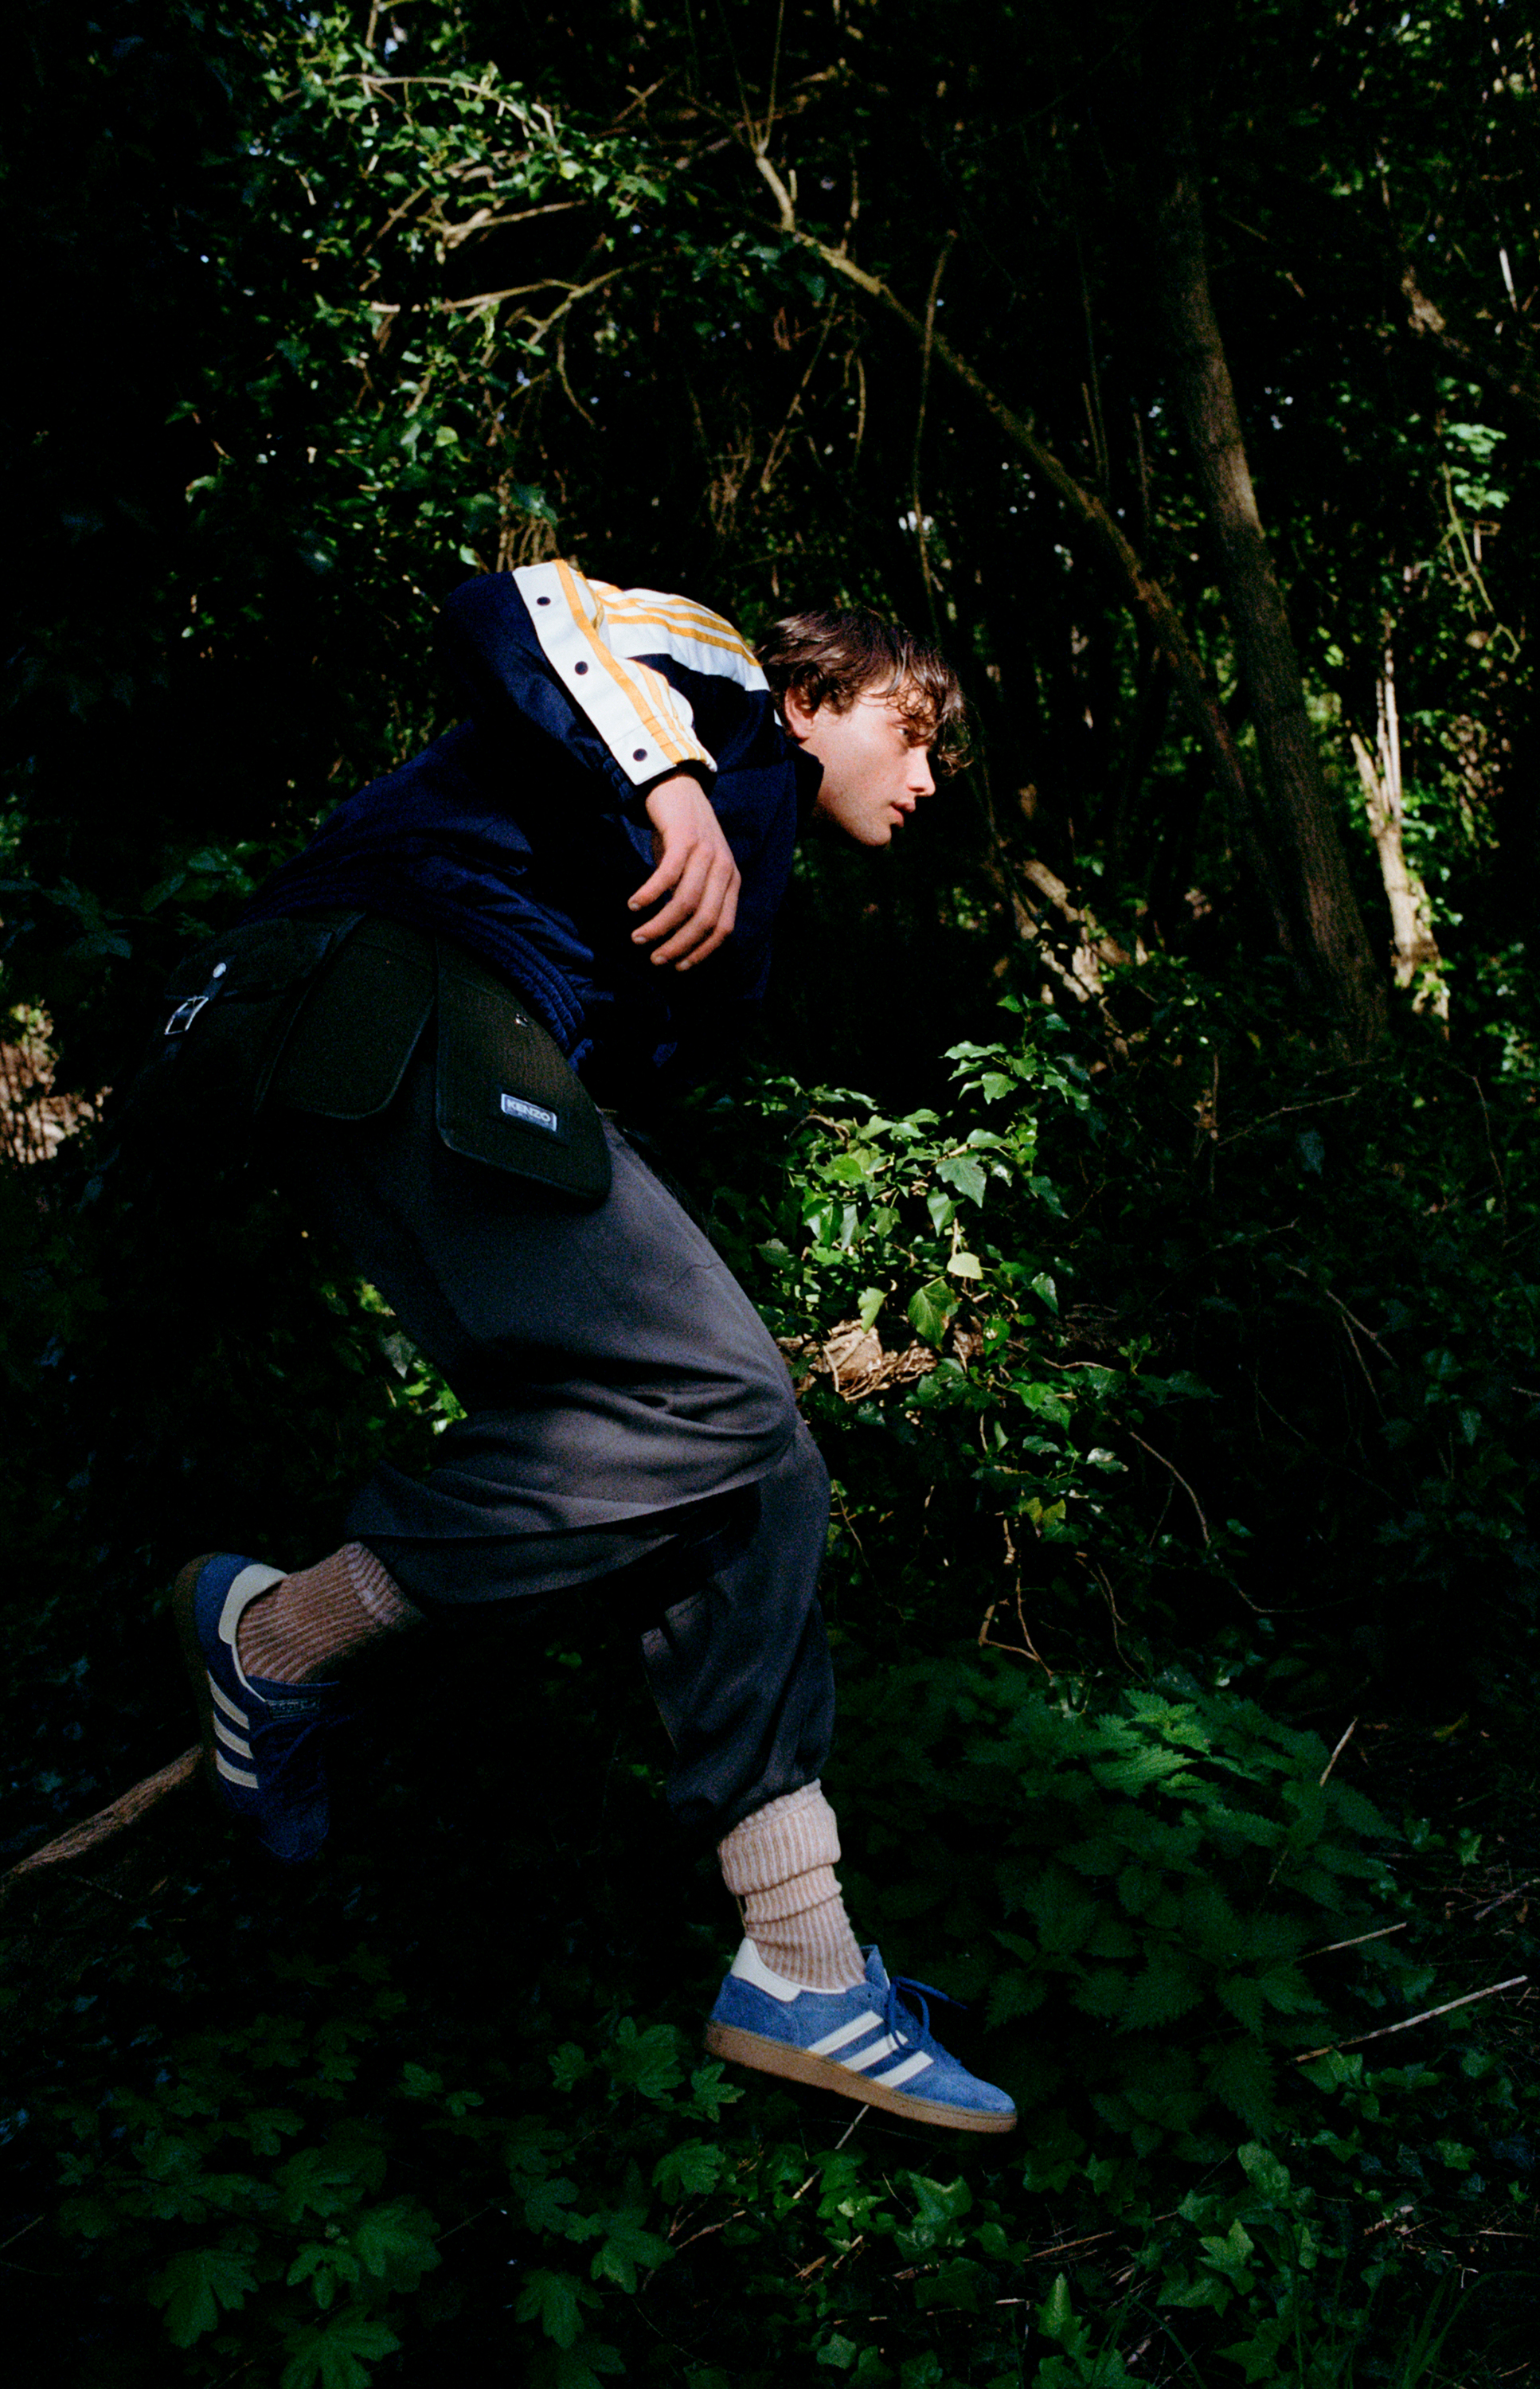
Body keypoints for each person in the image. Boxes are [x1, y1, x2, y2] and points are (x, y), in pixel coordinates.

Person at [161, 558, 1015, 2134]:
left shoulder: (752, 881)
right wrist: (672, 783)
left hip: (450, 1052)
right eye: (918, 731)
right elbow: (521, 606)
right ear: (816, 696)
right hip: (392, 980)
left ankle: (801, 1955)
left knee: (756, 1471)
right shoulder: (718, 695)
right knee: (720, 1395)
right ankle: (278, 1634)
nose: (931, 774)